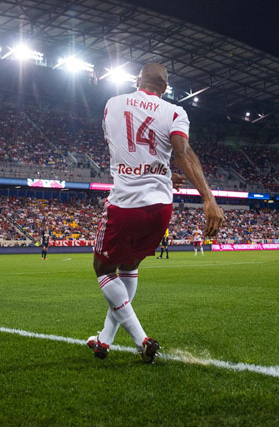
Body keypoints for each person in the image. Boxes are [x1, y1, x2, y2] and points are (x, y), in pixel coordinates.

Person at [85, 63, 224, 363]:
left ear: (137, 80)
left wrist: (150, 172)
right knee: (129, 266)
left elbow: (122, 150)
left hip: (125, 203)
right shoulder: (175, 112)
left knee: (103, 269)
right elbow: (182, 152)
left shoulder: (113, 104)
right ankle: (104, 340)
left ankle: (142, 340)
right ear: (165, 87)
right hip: (160, 207)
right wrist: (208, 197)